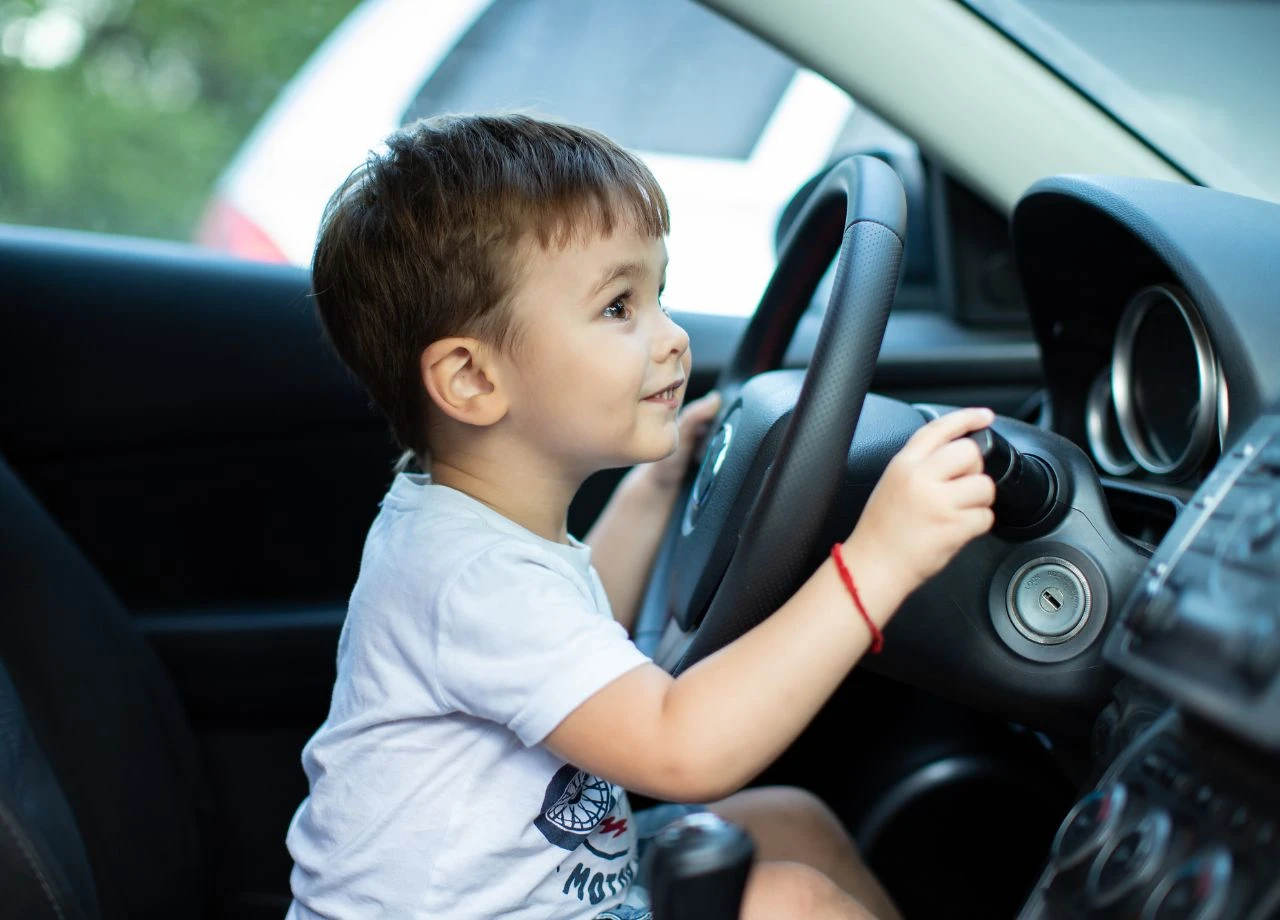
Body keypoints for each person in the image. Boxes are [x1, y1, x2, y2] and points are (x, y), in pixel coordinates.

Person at [285, 113, 996, 920]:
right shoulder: (474, 578)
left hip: (540, 893)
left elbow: (583, 637)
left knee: (789, 825)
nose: (674, 338)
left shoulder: (472, 527)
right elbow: (683, 747)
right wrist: (878, 562)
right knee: (785, 899)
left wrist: (658, 490)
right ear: (472, 380)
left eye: (659, 294)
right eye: (620, 307)